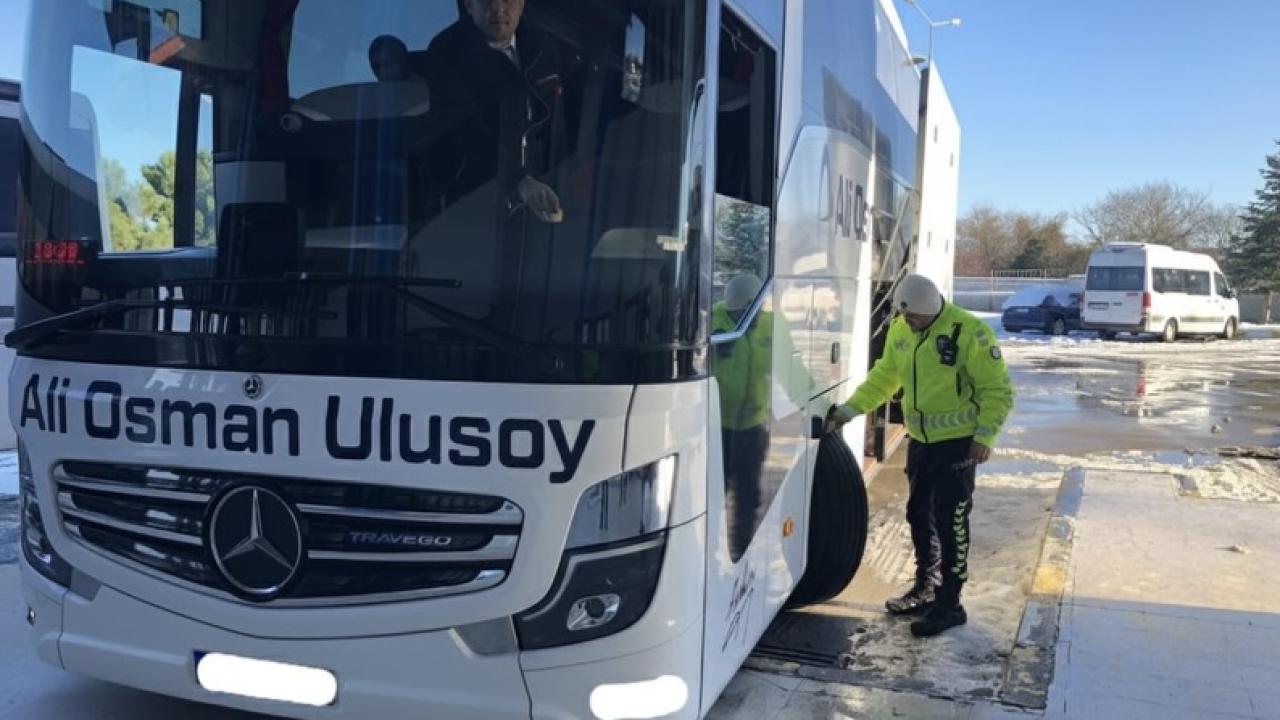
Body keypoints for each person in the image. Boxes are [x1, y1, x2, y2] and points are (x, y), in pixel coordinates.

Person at [831, 274, 1014, 638]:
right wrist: (851, 410)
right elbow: (885, 377)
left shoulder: (969, 333)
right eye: (908, 318)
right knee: (919, 514)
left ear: (935, 311)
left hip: (959, 445)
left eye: (918, 320)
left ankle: (951, 603)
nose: (911, 324)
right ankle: (927, 586)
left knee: (952, 522)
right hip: (921, 442)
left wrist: (984, 436)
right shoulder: (902, 330)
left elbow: (998, 390)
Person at [421, 0, 565, 223]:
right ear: (469, 5)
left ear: (521, 4)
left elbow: (559, 125)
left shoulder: (544, 47)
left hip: (545, 203)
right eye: (487, 0)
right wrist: (519, 182)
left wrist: (566, 176)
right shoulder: (447, 54)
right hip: (472, 204)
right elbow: (463, 135)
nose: (498, 7)